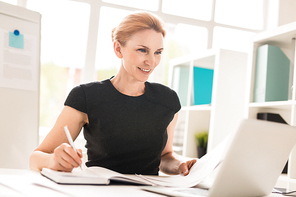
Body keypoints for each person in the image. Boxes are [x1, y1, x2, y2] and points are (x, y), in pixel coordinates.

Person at [29, 11, 197, 176]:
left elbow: (165, 157)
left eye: (158, 52)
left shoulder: (168, 100)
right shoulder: (86, 96)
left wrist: (180, 165)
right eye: (142, 50)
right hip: (101, 191)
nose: (152, 61)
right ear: (118, 49)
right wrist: (53, 161)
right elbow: (35, 159)